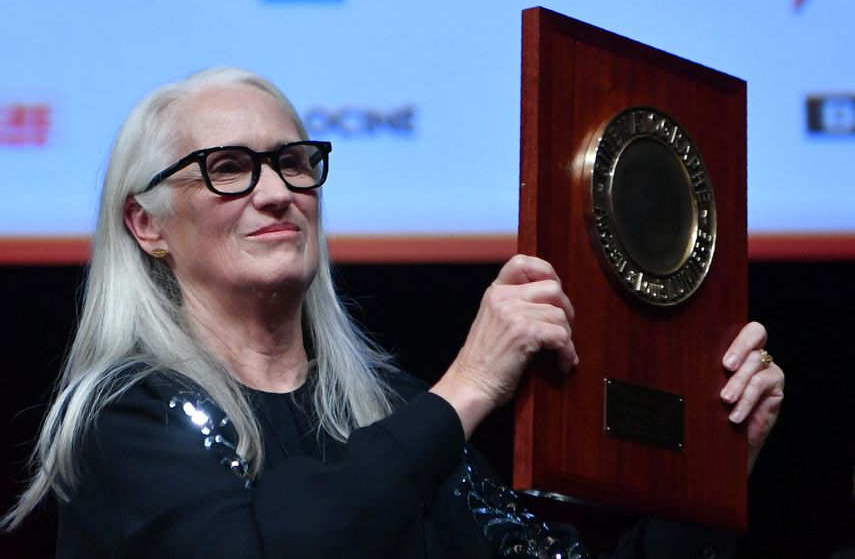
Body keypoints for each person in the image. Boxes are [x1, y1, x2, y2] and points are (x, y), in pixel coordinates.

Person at [1, 68, 785, 558]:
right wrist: (470, 384)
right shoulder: (123, 415)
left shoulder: (394, 410)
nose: (276, 190)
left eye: (293, 161)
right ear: (148, 225)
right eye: (229, 168)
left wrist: (711, 476)